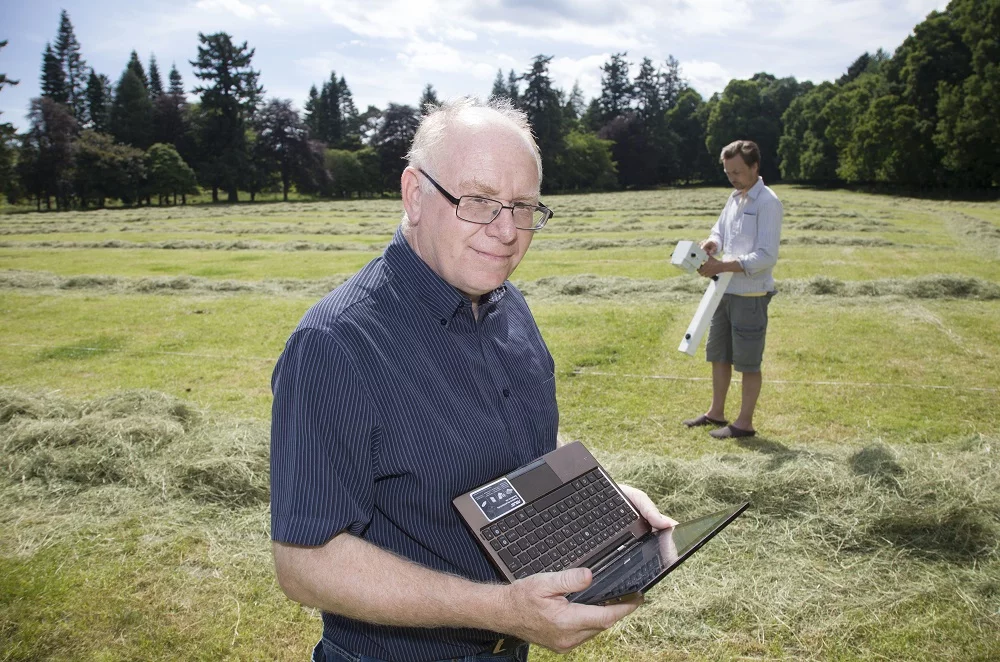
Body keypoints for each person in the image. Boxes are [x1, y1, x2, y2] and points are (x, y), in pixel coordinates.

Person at [270, 96, 676, 662]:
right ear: (415, 195)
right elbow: (304, 563)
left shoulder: (506, 304)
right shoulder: (334, 345)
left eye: (523, 206)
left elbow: (518, 444)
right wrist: (499, 610)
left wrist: (603, 499)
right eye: (479, 201)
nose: (506, 231)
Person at [683, 139, 783, 440]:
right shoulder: (734, 198)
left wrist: (721, 266)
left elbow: (767, 256)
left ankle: (744, 423)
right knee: (719, 355)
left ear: (755, 167)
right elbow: (720, 232)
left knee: (748, 361)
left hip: (751, 295)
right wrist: (713, 243)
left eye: (738, 172)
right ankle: (716, 412)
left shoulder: (768, 203)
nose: (733, 178)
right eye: (728, 173)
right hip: (724, 291)